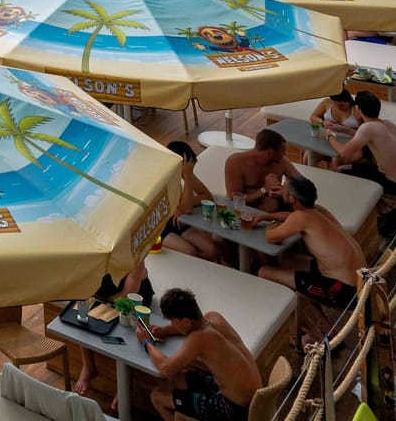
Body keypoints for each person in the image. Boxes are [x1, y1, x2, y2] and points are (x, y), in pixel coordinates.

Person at [136, 287, 262, 421]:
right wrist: (165, 330)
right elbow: (191, 328)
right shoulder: (213, 317)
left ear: (186, 321)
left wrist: (146, 342)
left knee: (157, 397)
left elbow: (166, 368)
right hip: (254, 399)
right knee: (178, 378)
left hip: (234, 409)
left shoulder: (199, 338)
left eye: (173, 321)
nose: (171, 324)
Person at [249, 176, 366, 318]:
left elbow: (271, 236)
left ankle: (321, 333)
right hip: (361, 282)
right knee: (287, 261)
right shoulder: (319, 210)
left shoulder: (301, 218)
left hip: (343, 291)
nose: (281, 190)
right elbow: (291, 216)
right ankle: (320, 326)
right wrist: (269, 216)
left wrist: (271, 224)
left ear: (292, 199)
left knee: (263, 272)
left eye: (284, 188)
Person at [331, 91, 396, 196]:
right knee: (350, 167)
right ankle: (383, 207)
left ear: (358, 108)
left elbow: (344, 153)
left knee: (340, 171)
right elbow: (367, 137)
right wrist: (344, 129)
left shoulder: (367, 128)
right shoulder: (388, 124)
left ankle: (372, 205)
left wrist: (328, 135)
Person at [157, 141, 222, 261]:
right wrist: (187, 177)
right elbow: (186, 209)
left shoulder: (185, 172)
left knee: (212, 249)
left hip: (177, 221)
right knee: (190, 252)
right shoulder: (160, 177)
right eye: (186, 167)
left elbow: (207, 197)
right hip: (159, 226)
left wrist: (182, 205)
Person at [222, 129, 295, 212]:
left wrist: (286, 190)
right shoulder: (236, 163)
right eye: (282, 151)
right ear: (271, 152)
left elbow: (303, 185)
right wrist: (264, 189)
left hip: (276, 211)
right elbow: (235, 199)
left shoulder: (282, 162)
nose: (284, 154)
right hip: (245, 212)